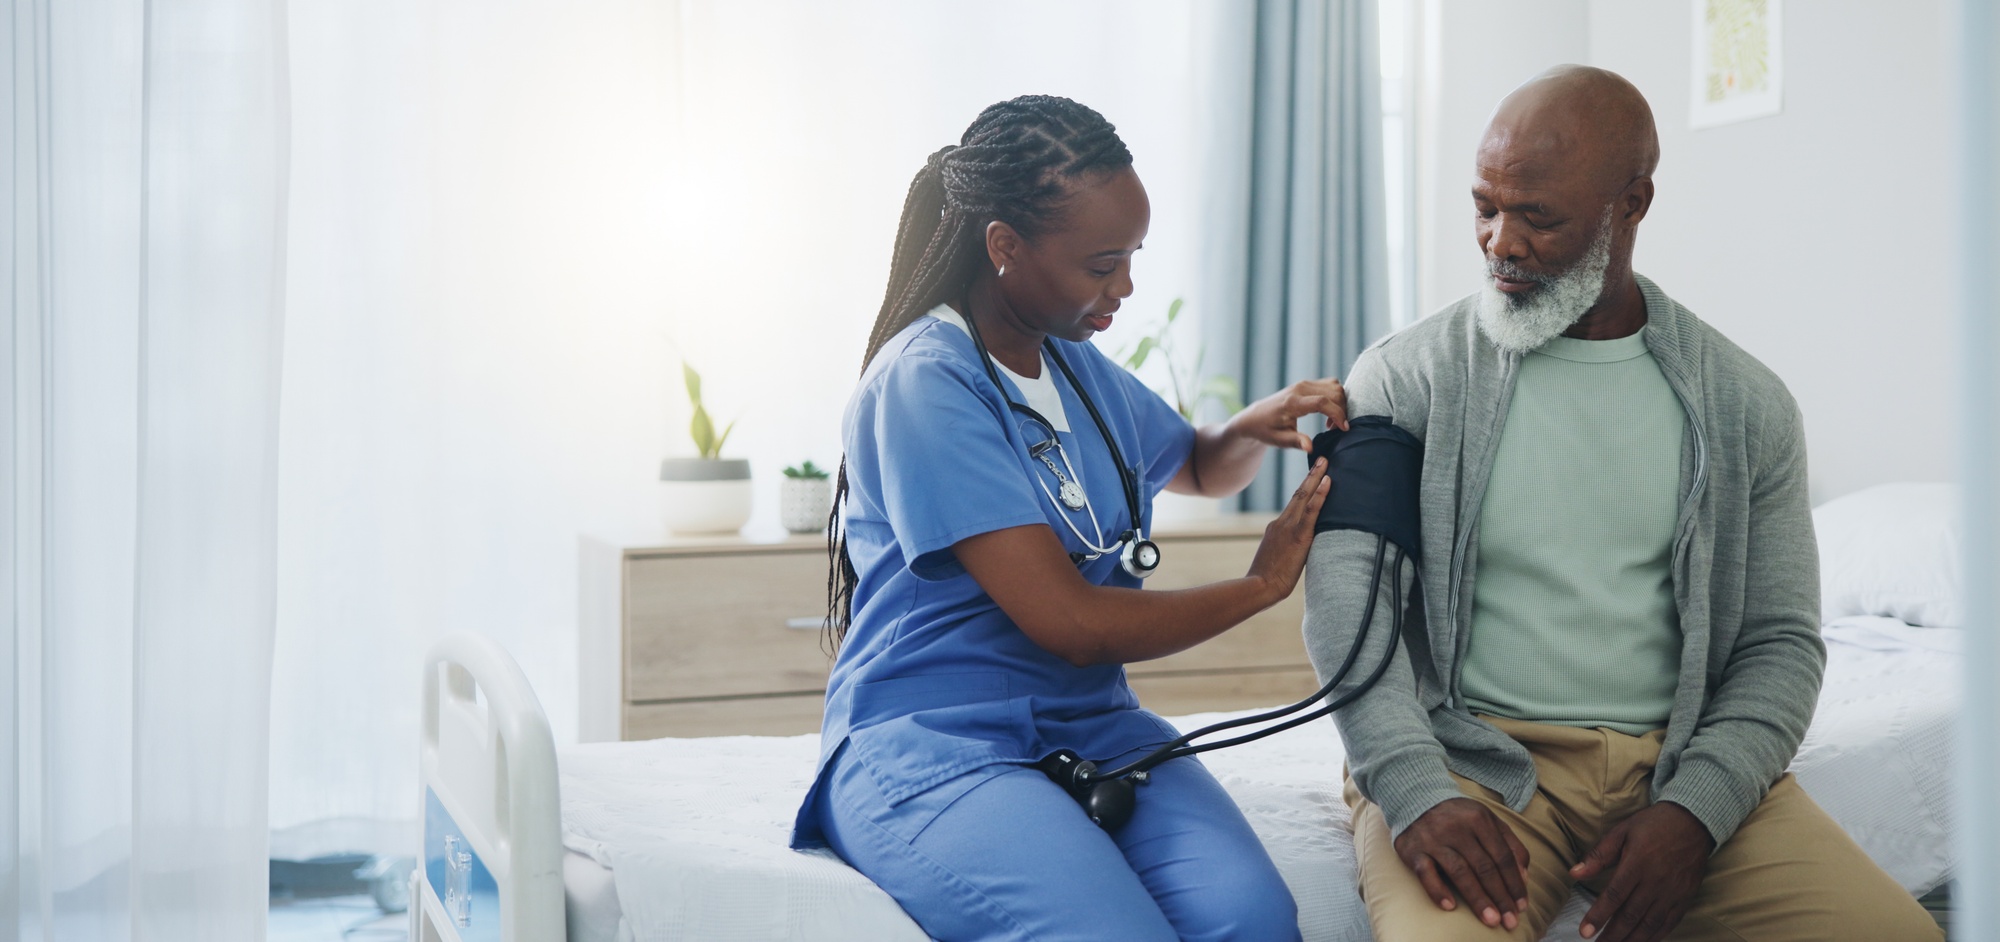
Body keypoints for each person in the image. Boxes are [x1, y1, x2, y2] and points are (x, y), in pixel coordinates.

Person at [1303, 66, 1941, 942]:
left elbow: (1780, 642)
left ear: (1631, 206)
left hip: (1671, 765)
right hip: (1471, 765)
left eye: (1540, 217)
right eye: (1485, 206)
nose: (1501, 243)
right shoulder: (1404, 376)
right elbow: (1349, 609)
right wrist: (1413, 792)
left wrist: (1696, 811)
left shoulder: (1745, 404)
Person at [788, 95, 1346, 942]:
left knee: (1255, 923)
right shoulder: (927, 383)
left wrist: (1250, 427)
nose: (1123, 287)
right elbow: (1073, 624)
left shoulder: (1074, 365)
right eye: (1100, 264)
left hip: (1090, 725)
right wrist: (1261, 586)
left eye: (1131, 257)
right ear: (1004, 247)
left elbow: (1193, 462)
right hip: (933, 739)